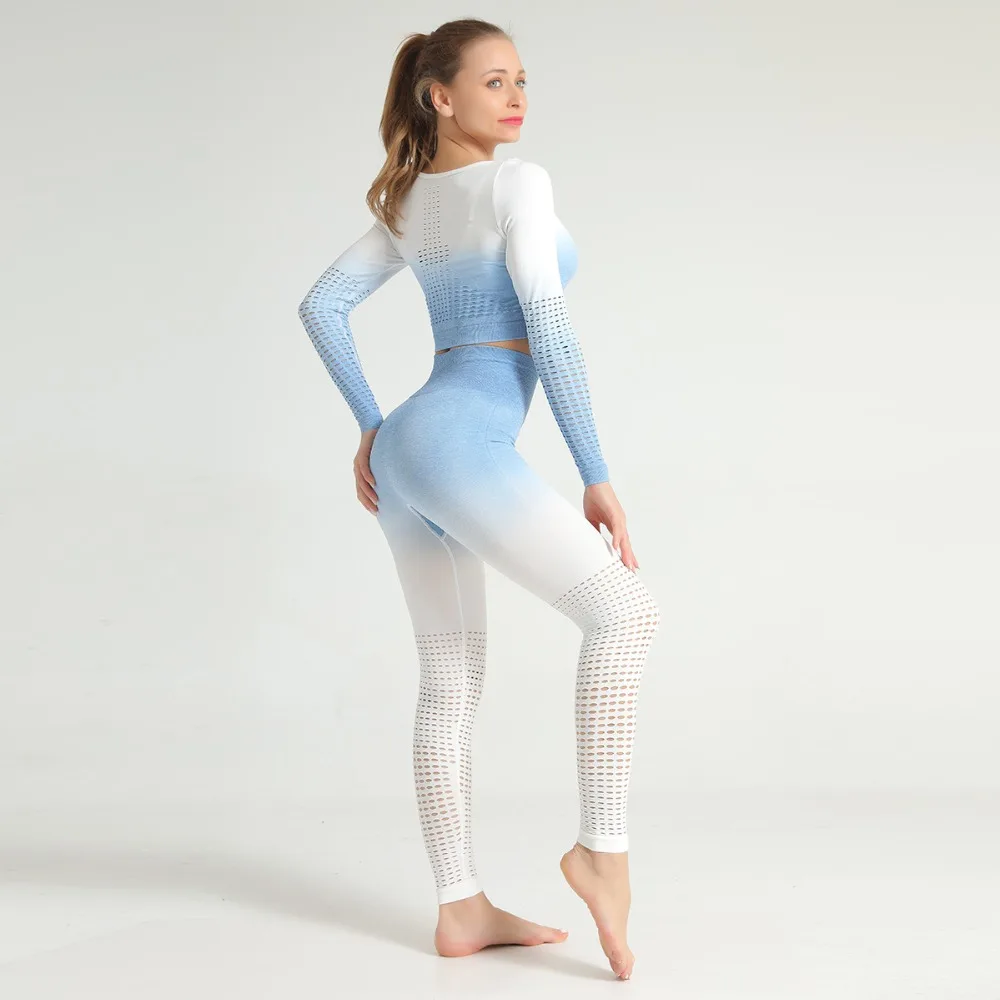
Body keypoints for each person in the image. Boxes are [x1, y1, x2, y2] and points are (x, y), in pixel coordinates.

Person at [296, 18, 661, 981]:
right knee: (625, 615)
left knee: (450, 678)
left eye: (522, 79)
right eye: (494, 80)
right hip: (459, 439)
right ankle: (602, 849)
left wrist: (374, 428)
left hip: (411, 446)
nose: (517, 97)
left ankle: (461, 907)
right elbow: (550, 327)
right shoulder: (517, 183)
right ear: (440, 96)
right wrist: (594, 472)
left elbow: (320, 305)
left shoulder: (409, 203)